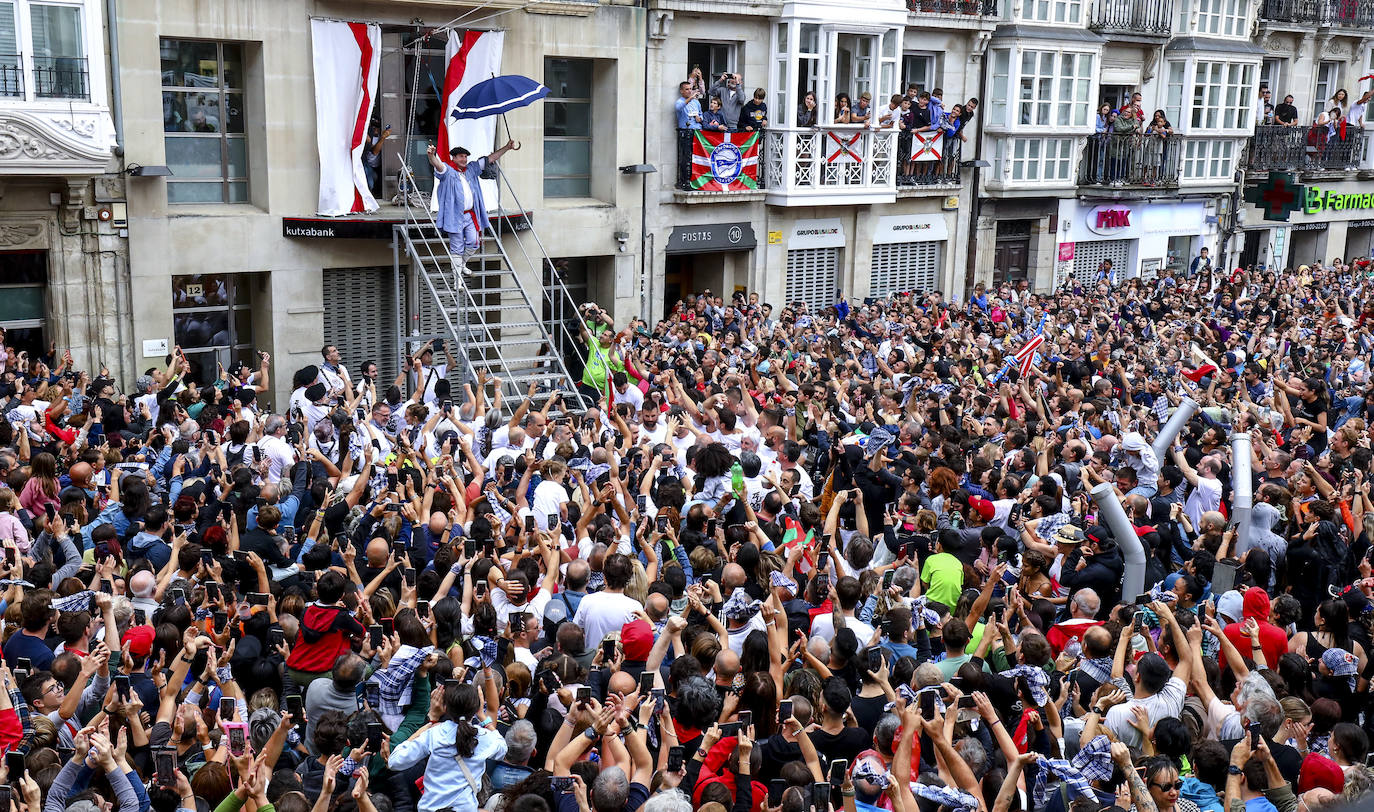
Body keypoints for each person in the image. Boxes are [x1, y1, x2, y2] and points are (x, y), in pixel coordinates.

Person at [426, 138, 519, 272]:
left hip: (470, 215)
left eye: (465, 157)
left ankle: (461, 265)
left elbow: (490, 159)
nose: (464, 159)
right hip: (454, 216)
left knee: (474, 243)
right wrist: (431, 155)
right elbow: (437, 164)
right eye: (461, 157)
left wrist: (506, 147)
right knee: (457, 247)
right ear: (454, 158)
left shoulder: (471, 169)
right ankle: (457, 281)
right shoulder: (448, 170)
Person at [675, 81, 703, 190]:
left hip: (697, 132)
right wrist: (690, 98)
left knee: (697, 158)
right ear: (681, 91)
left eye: (690, 89)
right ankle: (685, 181)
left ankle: (696, 181)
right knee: (686, 158)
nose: (689, 91)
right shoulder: (680, 101)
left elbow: (700, 114)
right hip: (686, 133)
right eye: (686, 89)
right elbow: (678, 108)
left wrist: (700, 118)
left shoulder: (696, 103)